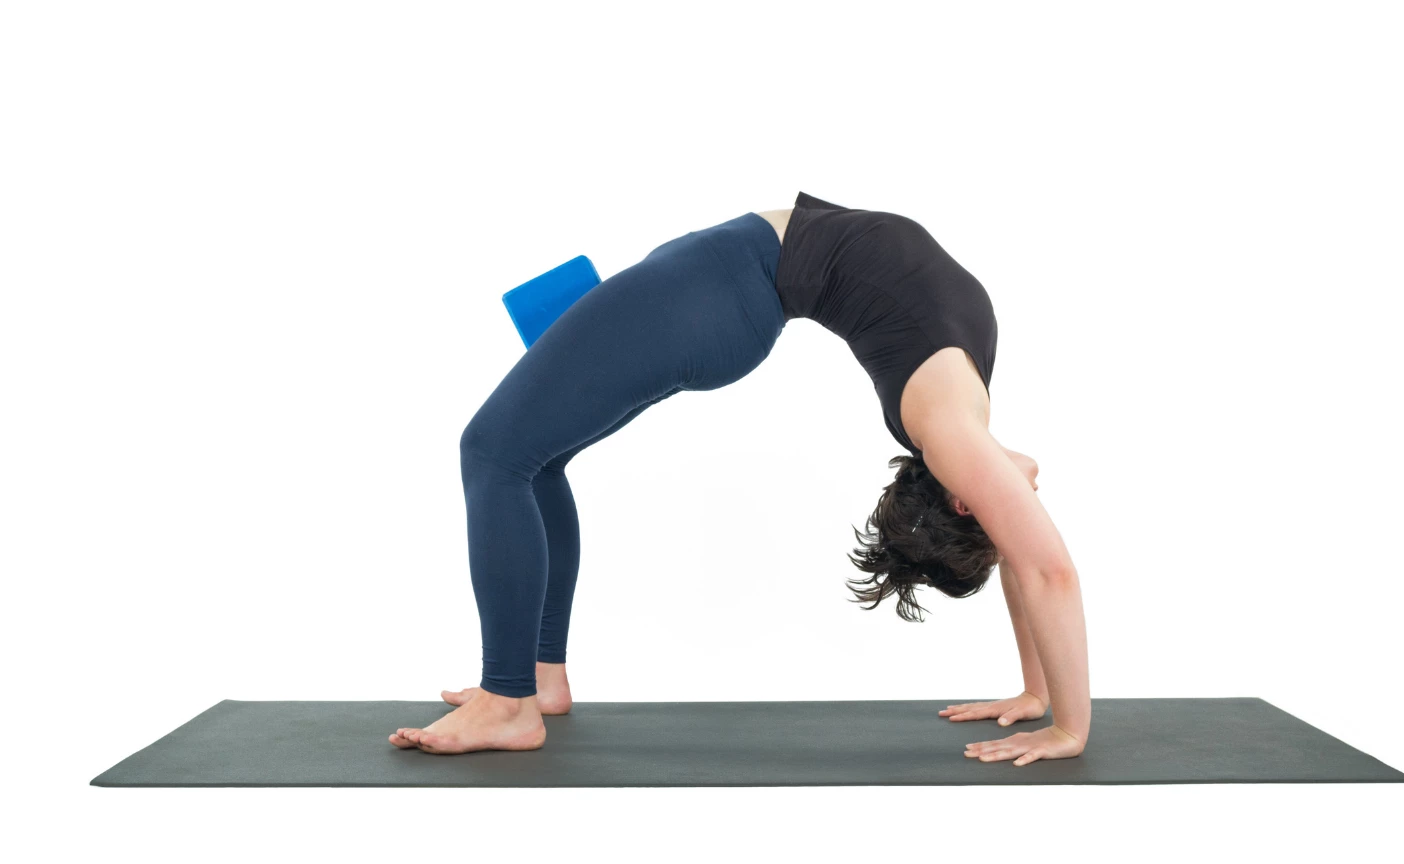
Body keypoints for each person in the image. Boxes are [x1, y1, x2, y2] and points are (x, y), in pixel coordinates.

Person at [390, 192, 1091, 767]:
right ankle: (539, 680)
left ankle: (506, 701)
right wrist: (1036, 691)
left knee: (493, 452)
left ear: (965, 500)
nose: (1023, 492)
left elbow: (1045, 570)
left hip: (722, 288)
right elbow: (1022, 542)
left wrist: (1070, 731)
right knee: (533, 454)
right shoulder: (965, 423)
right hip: (720, 286)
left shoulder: (952, 434)